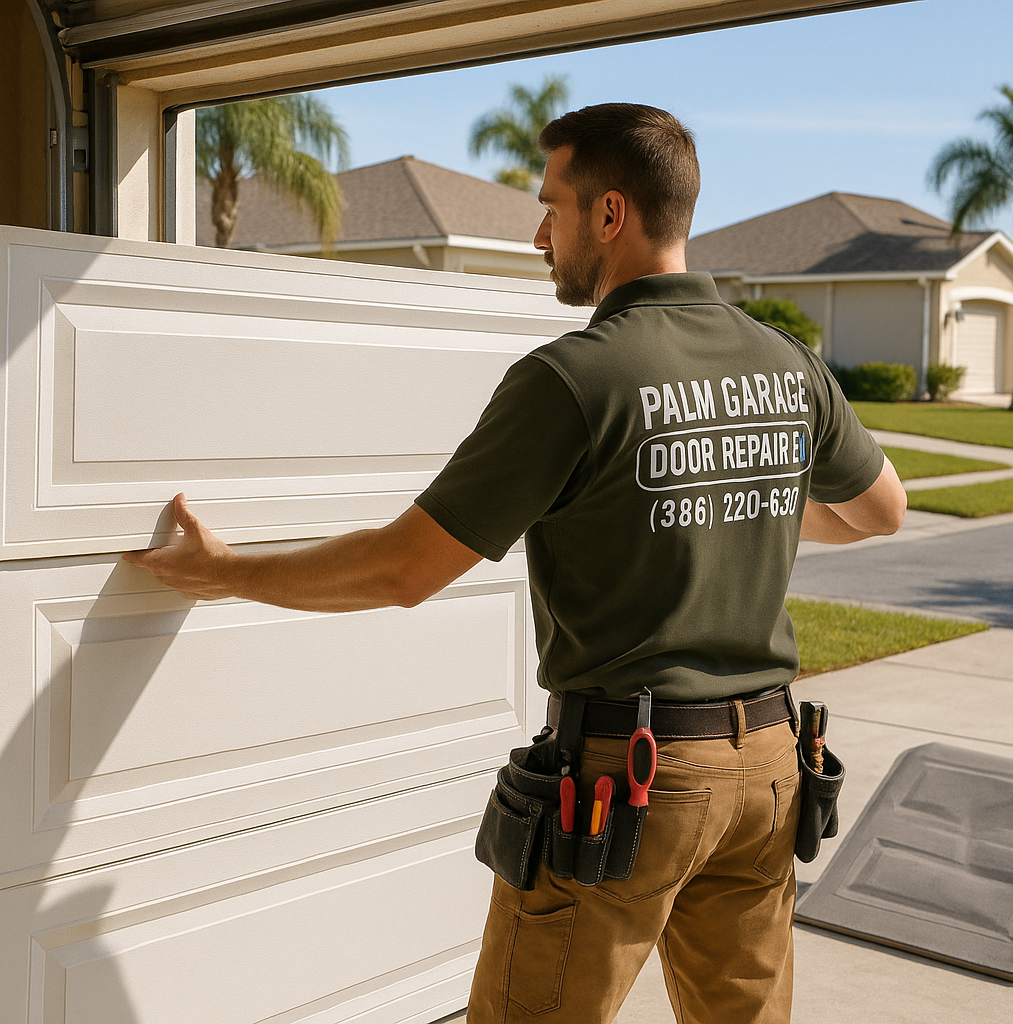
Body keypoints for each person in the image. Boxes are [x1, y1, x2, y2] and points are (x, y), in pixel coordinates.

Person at [127, 103, 906, 1024]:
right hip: (770, 768)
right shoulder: (787, 363)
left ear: (610, 214)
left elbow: (403, 571)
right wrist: (734, 497)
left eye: (551, 207)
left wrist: (227, 572)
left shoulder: (576, 378)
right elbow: (881, 511)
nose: (540, 235)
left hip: (633, 780)